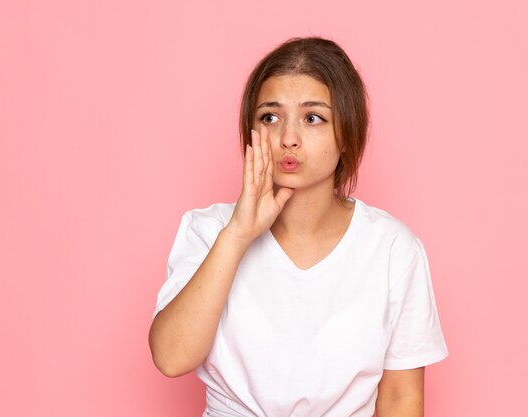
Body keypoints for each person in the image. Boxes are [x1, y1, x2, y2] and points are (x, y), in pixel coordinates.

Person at [148, 36, 448, 417]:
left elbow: (401, 399)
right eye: (270, 117)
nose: (288, 138)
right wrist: (238, 234)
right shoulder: (208, 230)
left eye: (313, 118)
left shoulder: (391, 248)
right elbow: (171, 358)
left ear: (347, 135)